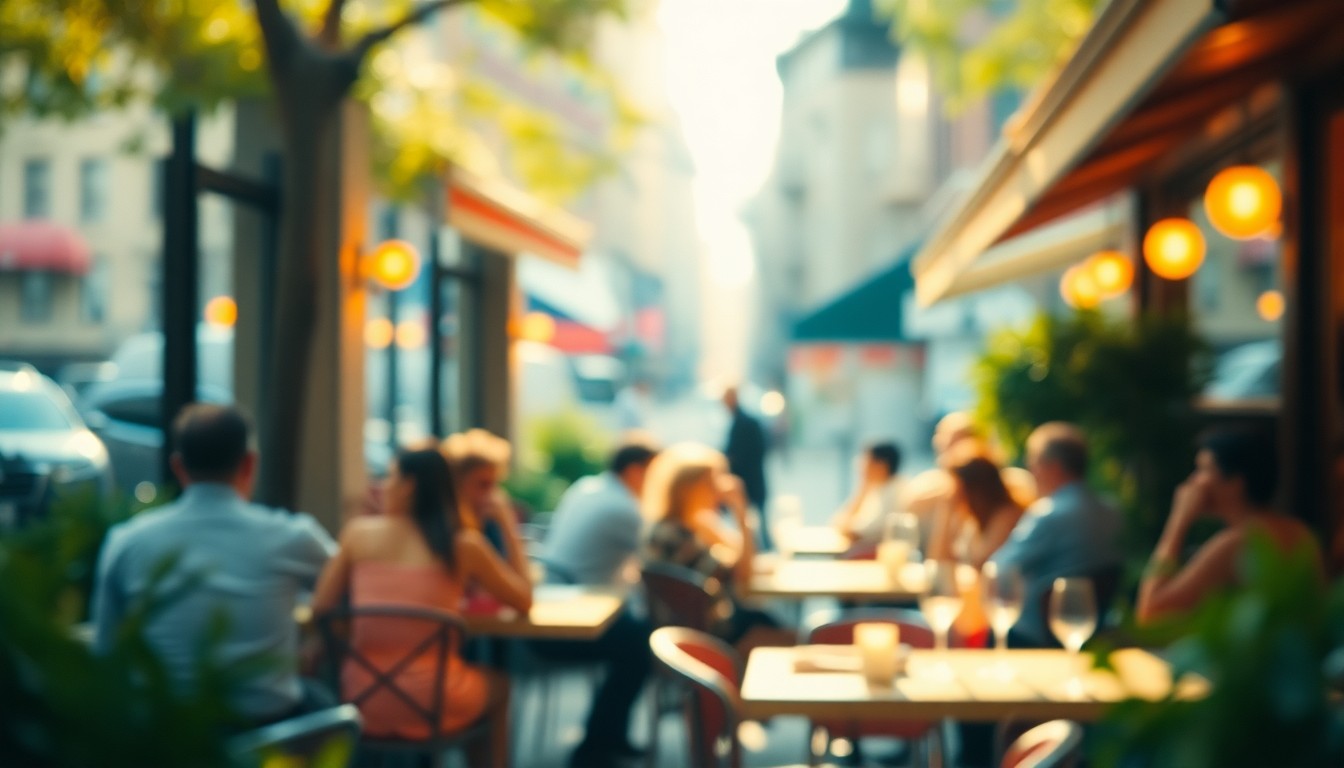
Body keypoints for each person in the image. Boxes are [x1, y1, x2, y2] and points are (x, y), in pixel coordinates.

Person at [91, 404, 337, 724]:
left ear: (178, 468)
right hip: (267, 733)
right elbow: (355, 585)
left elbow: (105, 654)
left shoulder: (125, 543)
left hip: (165, 736)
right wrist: (316, 639)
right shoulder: (292, 538)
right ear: (249, 464)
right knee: (326, 706)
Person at [311, 448, 532, 768]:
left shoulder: (358, 534)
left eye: (389, 477)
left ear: (409, 485)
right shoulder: (462, 543)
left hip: (360, 698)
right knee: (501, 685)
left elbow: (322, 608)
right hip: (434, 700)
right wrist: (508, 524)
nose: (383, 486)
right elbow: (524, 600)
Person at [533, 437, 660, 768]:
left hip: (552, 605)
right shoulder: (624, 510)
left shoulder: (587, 487)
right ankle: (596, 746)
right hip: (574, 621)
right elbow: (657, 562)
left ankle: (609, 739)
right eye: (654, 473)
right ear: (635, 471)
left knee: (635, 638)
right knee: (641, 644)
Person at [1137, 428, 1321, 624]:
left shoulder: (1236, 544)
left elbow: (1150, 614)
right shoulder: (1300, 532)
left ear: (1236, 482)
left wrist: (1177, 522)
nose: (1193, 481)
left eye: (1203, 469)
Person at [642, 442, 794, 655]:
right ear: (688, 488)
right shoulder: (678, 538)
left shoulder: (677, 525)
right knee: (792, 637)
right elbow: (743, 574)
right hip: (708, 637)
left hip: (687, 630)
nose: (719, 493)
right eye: (711, 484)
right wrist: (741, 513)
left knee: (766, 618)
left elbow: (742, 556)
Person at [987, 422, 1124, 647]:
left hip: (1034, 637)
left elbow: (999, 569)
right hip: (1093, 630)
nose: (1032, 472)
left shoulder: (1049, 514)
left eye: (1034, 464)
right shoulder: (1114, 512)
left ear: (1054, 467)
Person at [901, 411, 1035, 554]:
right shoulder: (963, 507)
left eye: (957, 443)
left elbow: (978, 563)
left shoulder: (1008, 501)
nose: (951, 453)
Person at [441, 429, 528, 578]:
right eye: (483, 485)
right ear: (456, 484)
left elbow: (519, 584)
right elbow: (523, 596)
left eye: (495, 485)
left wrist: (507, 525)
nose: (492, 495)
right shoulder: (444, 531)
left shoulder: (490, 525)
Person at [928, 445, 1025, 569]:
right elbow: (939, 560)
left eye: (954, 485)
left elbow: (981, 565)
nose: (950, 492)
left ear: (973, 488)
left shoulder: (1007, 516)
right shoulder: (971, 518)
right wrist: (945, 512)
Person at [830, 441, 904, 549]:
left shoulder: (894, 492)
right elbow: (838, 523)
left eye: (865, 460)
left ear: (881, 465)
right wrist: (863, 490)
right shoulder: (878, 488)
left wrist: (863, 489)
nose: (859, 465)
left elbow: (857, 534)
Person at [721, 386, 771, 548]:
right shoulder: (743, 421)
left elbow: (741, 453)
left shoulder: (744, 422)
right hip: (752, 480)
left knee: (754, 524)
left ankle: (756, 549)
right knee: (755, 523)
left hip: (749, 481)